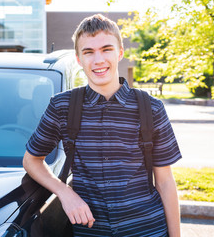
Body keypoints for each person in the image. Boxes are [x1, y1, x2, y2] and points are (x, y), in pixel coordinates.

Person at [23, 14, 182, 237]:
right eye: (88, 52)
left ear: (120, 52)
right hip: (90, 232)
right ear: (78, 58)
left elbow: (165, 182)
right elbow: (31, 160)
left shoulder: (151, 108)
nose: (98, 60)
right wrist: (65, 193)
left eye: (106, 49)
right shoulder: (62, 106)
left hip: (148, 230)